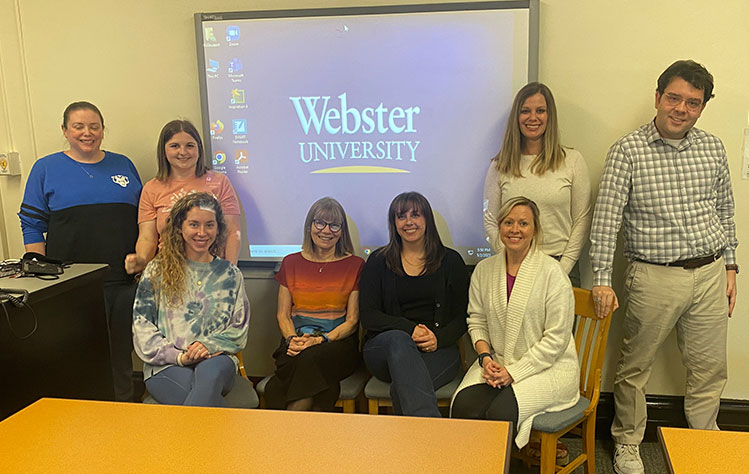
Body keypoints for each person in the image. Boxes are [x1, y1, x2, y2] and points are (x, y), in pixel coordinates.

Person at [589, 60, 738, 474]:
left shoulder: (712, 147)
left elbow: (725, 210)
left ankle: (702, 439)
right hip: (653, 275)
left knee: (709, 369)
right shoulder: (627, 151)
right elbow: (606, 221)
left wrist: (731, 266)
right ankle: (628, 442)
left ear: (702, 107)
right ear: (657, 98)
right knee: (635, 366)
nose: (681, 108)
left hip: (709, 272)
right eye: (673, 98)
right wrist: (602, 280)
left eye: (693, 102)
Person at [18, 101, 142, 402]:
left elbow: (144, 219)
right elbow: (31, 224)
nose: (87, 133)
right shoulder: (45, 168)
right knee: (75, 352)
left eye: (94, 126)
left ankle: (123, 412)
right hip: (71, 284)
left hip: (121, 282)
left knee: (120, 355)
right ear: (65, 130)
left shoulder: (123, 164)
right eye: (79, 126)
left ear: (102, 130)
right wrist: (39, 273)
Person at [451, 196, 580, 448]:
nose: (515, 229)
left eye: (523, 223)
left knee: (500, 412)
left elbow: (556, 340)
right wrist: (485, 359)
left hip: (549, 368)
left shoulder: (553, 274)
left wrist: (514, 372)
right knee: (463, 406)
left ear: (535, 230)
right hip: (497, 362)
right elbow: (476, 320)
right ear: (499, 227)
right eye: (508, 222)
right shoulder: (484, 270)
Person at [132, 192, 249, 407]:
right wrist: (179, 357)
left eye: (209, 225)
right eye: (194, 224)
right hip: (166, 366)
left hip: (217, 361)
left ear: (218, 228)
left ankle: (189, 440)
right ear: (179, 227)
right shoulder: (156, 270)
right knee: (203, 400)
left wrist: (207, 345)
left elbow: (238, 330)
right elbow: (142, 328)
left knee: (209, 372)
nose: (202, 233)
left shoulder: (230, 274)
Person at [359, 191, 468, 417]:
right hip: (385, 351)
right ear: (394, 223)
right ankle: (433, 438)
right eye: (401, 216)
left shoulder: (451, 261)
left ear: (427, 219)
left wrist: (438, 338)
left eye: (415, 215)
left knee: (403, 388)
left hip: (438, 350)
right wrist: (410, 329)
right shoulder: (378, 261)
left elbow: (462, 317)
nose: (409, 222)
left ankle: (410, 448)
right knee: (399, 339)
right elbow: (369, 316)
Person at [484, 82, 591, 286]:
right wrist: (511, 260)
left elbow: (582, 220)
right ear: (517, 117)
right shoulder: (500, 165)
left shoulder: (572, 160)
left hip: (560, 266)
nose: (533, 118)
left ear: (549, 116)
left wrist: (563, 267)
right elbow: (490, 220)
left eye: (540, 111)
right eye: (525, 111)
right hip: (513, 267)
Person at [264, 197, 364, 411]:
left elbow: (353, 321)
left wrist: (320, 340)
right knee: (285, 383)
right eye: (320, 223)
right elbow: (283, 315)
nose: (326, 230)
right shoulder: (290, 263)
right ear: (309, 226)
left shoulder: (355, 265)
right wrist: (293, 339)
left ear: (341, 231)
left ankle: (284, 440)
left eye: (334, 225)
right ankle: (311, 440)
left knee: (292, 373)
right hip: (295, 344)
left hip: (336, 345)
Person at [125, 119, 241, 274]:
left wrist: (229, 272)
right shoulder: (151, 188)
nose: (183, 152)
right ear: (164, 151)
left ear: (199, 149)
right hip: (168, 274)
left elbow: (232, 232)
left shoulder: (220, 182)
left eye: (190, 146)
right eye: (175, 146)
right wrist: (141, 260)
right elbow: (147, 238)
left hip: (212, 273)